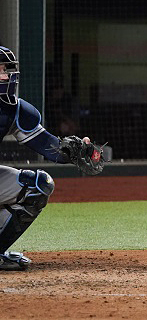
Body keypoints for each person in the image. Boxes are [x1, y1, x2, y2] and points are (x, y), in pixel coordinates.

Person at [0, 46, 106, 270]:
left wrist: (75, 150)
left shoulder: (14, 111)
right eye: (2, 70)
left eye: (9, 70)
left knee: (38, 185)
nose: (8, 76)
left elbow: (48, 146)